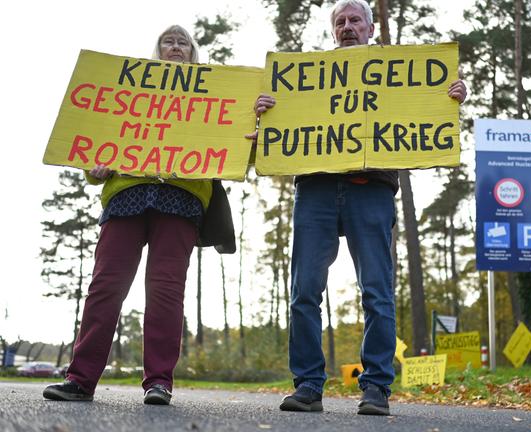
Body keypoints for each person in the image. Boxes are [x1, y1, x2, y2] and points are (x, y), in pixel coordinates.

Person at [254, 0, 467, 416]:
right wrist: (266, 110)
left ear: (371, 28)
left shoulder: (396, 74)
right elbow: (276, 127)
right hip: (315, 188)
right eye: (341, 21)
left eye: (355, 20)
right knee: (303, 291)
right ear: (333, 31)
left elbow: (424, 113)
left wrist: (450, 97)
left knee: (377, 292)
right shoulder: (304, 79)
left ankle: (376, 389)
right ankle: (308, 386)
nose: (348, 26)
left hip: (371, 190)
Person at [43, 25, 229, 406]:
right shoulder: (129, 93)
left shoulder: (216, 95)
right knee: (105, 285)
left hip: (181, 198)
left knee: (166, 290)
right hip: (126, 195)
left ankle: (159, 382)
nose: (175, 47)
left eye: (182, 43)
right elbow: (99, 143)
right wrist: (93, 168)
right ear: (157, 51)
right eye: (168, 42)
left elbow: (233, 144)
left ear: (192, 53)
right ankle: (80, 379)